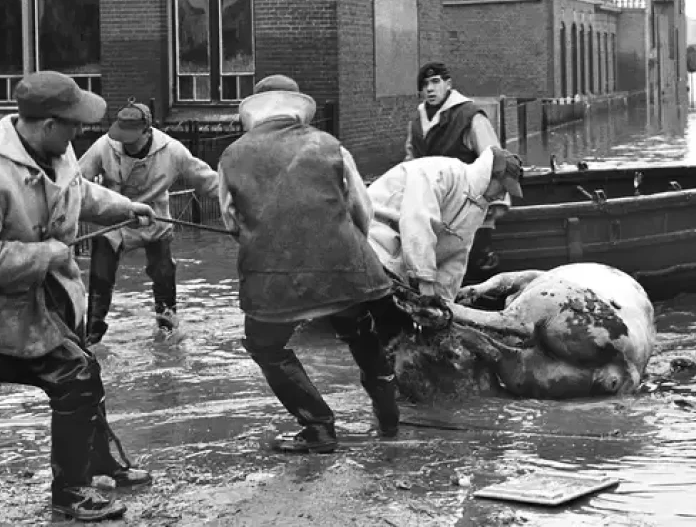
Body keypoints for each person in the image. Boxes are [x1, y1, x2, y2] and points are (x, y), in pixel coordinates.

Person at [0, 71, 157, 522]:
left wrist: (123, 207)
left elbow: (75, 192)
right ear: (46, 124)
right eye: (74, 124)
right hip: (0, 308)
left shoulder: (55, 149)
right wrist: (47, 253)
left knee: (84, 369)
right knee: (75, 377)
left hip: (48, 296)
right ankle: (71, 493)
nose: (82, 131)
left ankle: (100, 462)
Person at [217, 75, 408, 453]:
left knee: (265, 346)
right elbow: (362, 210)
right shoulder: (331, 145)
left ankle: (318, 427)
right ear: (296, 108)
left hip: (273, 275)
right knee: (358, 330)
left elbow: (230, 222)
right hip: (345, 264)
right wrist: (348, 251)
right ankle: (388, 418)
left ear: (254, 112)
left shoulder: (231, 156)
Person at [79, 100, 220, 343]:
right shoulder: (104, 145)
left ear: (148, 131)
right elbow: (76, 181)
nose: (125, 141)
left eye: (132, 136)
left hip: (155, 216)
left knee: (163, 273)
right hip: (113, 217)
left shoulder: (173, 150)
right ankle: (91, 336)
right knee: (101, 275)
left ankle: (167, 329)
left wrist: (238, 200)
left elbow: (207, 181)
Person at [367, 147, 524, 301]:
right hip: (371, 242)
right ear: (489, 175)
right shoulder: (441, 173)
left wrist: (444, 302)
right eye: (503, 187)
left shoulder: (478, 209)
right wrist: (426, 281)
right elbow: (417, 224)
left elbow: (457, 255)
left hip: (399, 261)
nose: (502, 195)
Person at [402, 61, 511, 279]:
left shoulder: (469, 117)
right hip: (433, 211)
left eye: (435, 82)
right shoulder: (416, 123)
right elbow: (410, 164)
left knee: (477, 267)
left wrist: (496, 203)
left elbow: (494, 159)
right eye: (424, 85)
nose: (430, 89)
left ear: (448, 84)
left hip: (468, 207)